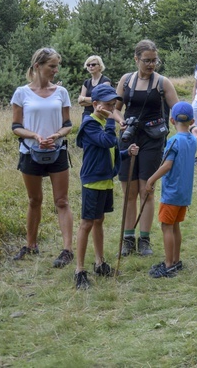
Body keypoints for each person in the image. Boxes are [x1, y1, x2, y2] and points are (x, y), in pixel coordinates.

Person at [115, 39, 181, 257]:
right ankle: (127, 239)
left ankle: (144, 239)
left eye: (154, 60)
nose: (152, 65)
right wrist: (121, 121)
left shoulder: (163, 83)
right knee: (129, 192)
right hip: (128, 139)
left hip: (153, 140)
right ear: (136, 59)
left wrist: (185, 125)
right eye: (147, 61)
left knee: (147, 189)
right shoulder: (125, 81)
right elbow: (114, 109)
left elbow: (177, 108)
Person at [11, 48, 74, 267]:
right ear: (38, 66)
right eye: (52, 66)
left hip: (57, 151)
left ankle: (67, 250)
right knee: (34, 200)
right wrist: (35, 136)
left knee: (62, 201)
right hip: (30, 152)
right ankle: (31, 245)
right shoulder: (21, 93)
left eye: (57, 66)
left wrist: (56, 135)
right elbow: (16, 126)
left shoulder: (61, 92)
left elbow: (68, 124)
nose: (55, 71)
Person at [74, 85, 139, 289]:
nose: (112, 109)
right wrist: (112, 120)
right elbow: (108, 142)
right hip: (93, 181)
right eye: (108, 105)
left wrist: (126, 153)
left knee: (99, 220)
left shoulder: (102, 122)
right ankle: (79, 270)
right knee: (87, 223)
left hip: (104, 180)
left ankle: (100, 262)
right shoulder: (90, 124)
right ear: (95, 104)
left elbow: (108, 154)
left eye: (113, 105)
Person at [146, 102, 197, 278]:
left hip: (171, 193)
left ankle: (168, 265)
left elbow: (167, 165)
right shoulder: (192, 140)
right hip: (184, 193)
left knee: (166, 227)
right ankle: (175, 261)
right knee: (175, 226)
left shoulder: (173, 141)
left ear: (171, 120)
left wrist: (151, 179)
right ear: (192, 121)